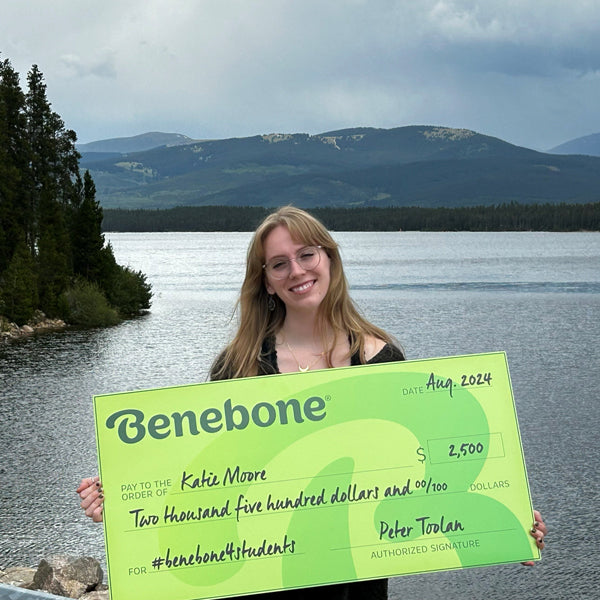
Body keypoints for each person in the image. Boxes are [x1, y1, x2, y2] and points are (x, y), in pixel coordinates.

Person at [77, 206, 547, 597]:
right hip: (259, 584)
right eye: (279, 263)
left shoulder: (382, 360)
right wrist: (125, 500)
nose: (296, 271)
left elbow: (428, 475)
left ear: (330, 260)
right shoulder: (236, 366)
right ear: (265, 280)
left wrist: (505, 523)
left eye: (307, 254)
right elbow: (206, 480)